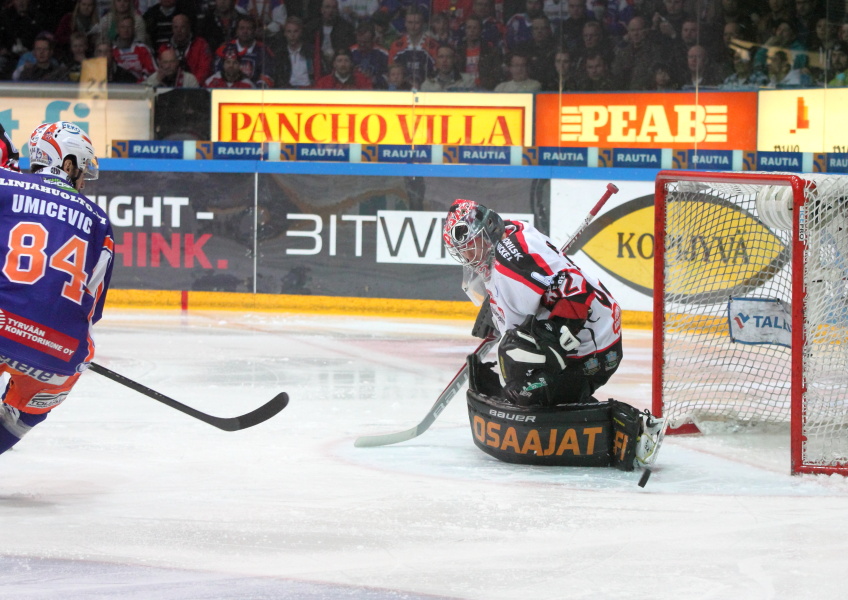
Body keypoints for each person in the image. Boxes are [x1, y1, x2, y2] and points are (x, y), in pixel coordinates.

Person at [442, 199, 663, 469]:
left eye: (468, 246)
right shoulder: (505, 238)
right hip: (585, 336)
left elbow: (577, 289)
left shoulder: (511, 261)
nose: (466, 256)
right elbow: (541, 285)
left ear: (486, 231)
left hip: (594, 347)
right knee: (515, 367)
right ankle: (552, 387)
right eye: (461, 250)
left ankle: (635, 429)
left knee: (518, 366)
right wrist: (498, 307)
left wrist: (555, 346)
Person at [0, 121, 114, 457]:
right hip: (59, 355)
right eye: (81, 170)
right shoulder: (100, 222)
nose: (83, 180)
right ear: (66, 164)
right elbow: (92, 311)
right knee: (20, 417)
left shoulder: (5, 184)